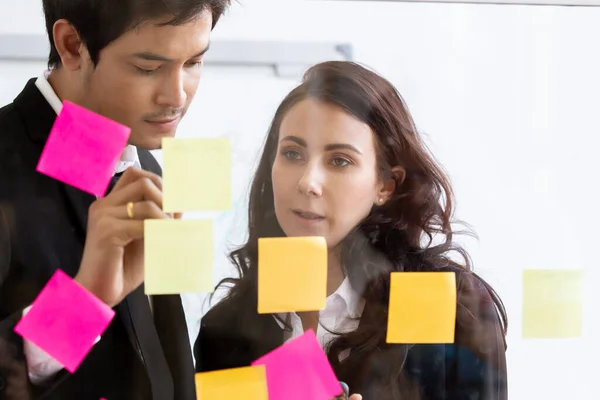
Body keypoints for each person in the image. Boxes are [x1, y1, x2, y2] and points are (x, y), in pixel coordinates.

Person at [195, 61, 508, 400]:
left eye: (339, 160)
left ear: (385, 185)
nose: (307, 182)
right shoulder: (225, 330)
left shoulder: (450, 304)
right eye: (292, 153)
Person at [0, 0, 230, 399]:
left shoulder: (143, 168)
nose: (177, 96)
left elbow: (163, 366)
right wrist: (83, 300)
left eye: (193, 62)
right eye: (148, 68)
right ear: (72, 46)